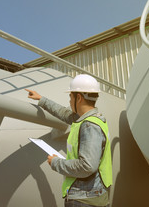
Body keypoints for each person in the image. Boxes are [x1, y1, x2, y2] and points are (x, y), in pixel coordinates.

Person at [25, 74, 112, 207]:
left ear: (78, 98)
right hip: (91, 196)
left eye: (70, 97)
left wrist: (56, 163)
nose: (69, 101)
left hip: (84, 200)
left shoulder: (89, 126)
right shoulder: (92, 119)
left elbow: (87, 166)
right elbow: (64, 114)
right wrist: (41, 99)